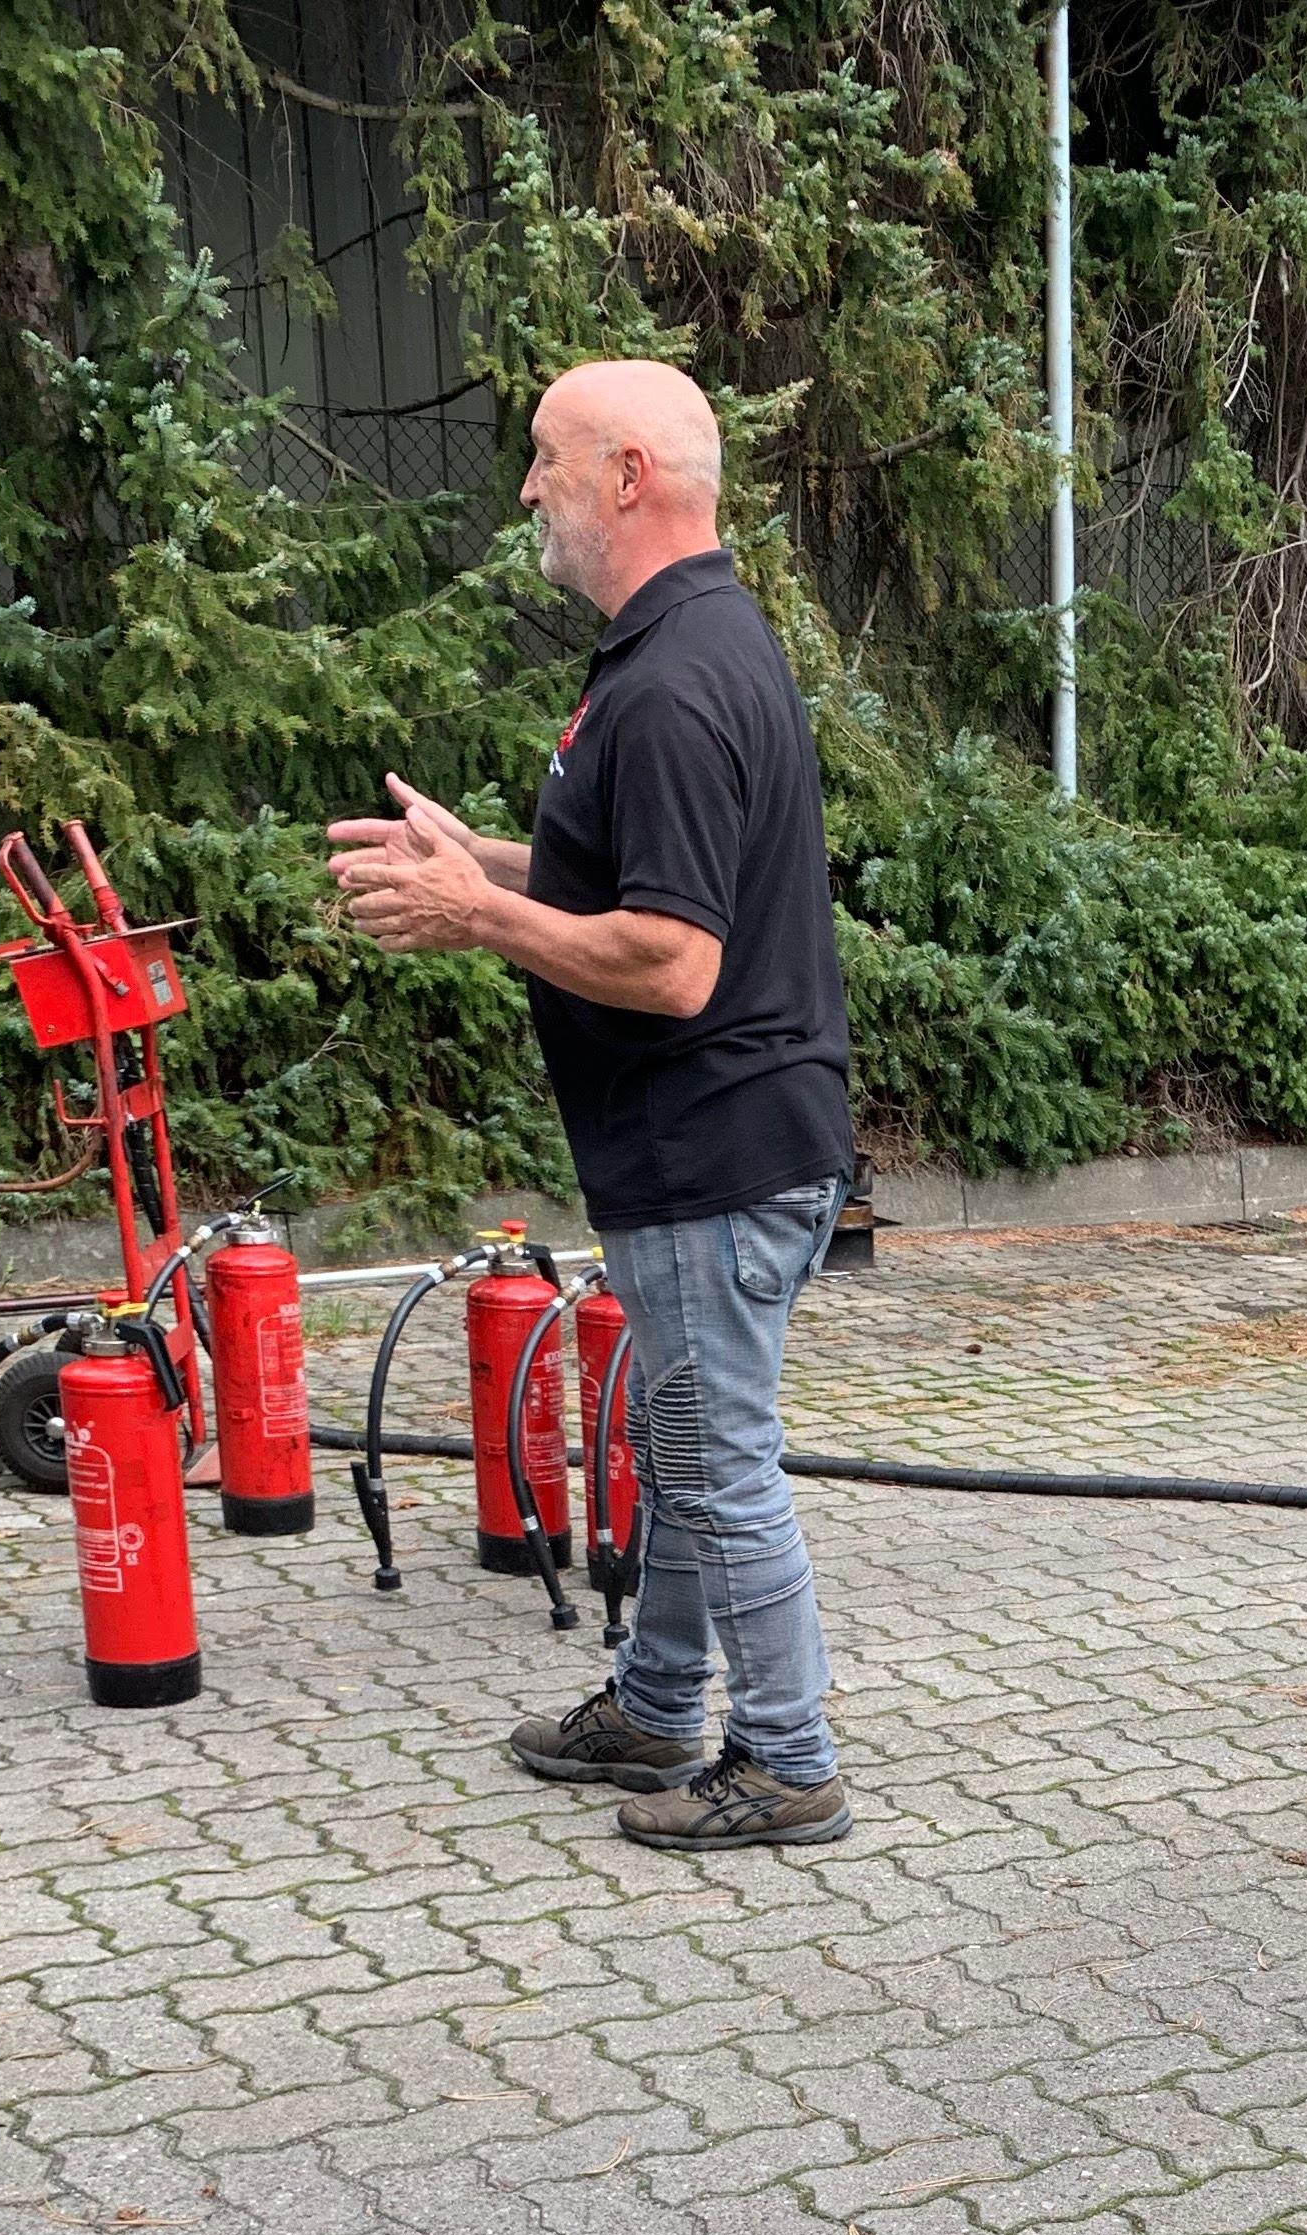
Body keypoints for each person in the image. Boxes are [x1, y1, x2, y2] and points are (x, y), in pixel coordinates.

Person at [329, 359, 856, 1849]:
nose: (527, 489)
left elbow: (673, 962)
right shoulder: (680, 647)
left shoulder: (678, 682)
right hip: (712, 1148)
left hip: (713, 1153)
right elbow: (631, 882)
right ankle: (658, 1700)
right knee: (679, 1434)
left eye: (548, 459)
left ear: (628, 475)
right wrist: (480, 861)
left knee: (709, 1456)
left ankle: (788, 1757)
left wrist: (473, 919)